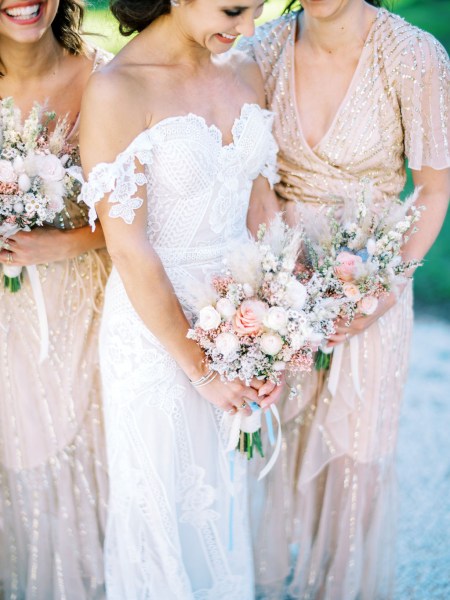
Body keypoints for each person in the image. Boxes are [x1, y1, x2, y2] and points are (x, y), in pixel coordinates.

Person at [239, 1, 450, 598]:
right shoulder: (260, 49)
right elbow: (253, 175)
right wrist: (279, 267)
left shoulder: (414, 56)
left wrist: (382, 291)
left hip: (373, 273)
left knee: (357, 452)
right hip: (280, 276)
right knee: (278, 439)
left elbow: (434, 187)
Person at [79, 0, 282, 597]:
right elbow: (130, 249)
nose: (247, 29)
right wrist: (200, 369)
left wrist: (275, 335)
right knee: (163, 511)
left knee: (222, 500)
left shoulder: (245, 71)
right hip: (156, 338)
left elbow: (261, 207)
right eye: (235, 9)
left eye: (257, 10)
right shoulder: (117, 90)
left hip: (241, 324)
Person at [0, 1, 111, 597]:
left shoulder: (103, 79)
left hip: (85, 307)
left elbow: (140, 218)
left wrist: (60, 245)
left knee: (86, 449)